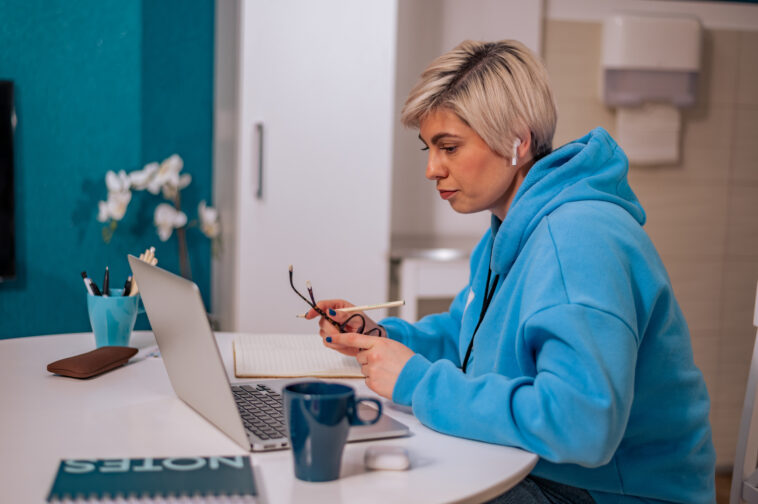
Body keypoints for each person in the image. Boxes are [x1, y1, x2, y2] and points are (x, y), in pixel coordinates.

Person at [305, 40, 715, 503]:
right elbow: (468, 337)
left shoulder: (579, 241)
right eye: (429, 147)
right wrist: (379, 336)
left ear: (517, 141)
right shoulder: (509, 228)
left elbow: (583, 426)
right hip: (546, 469)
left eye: (449, 147)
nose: (431, 169)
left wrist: (418, 381)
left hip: (608, 492)